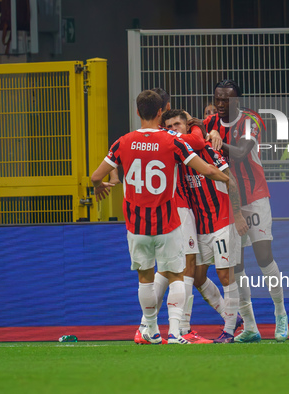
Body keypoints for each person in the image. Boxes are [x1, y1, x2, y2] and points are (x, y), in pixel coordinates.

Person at [91, 90, 229, 345]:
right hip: (166, 223)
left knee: (145, 278)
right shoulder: (171, 141)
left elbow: (96, 176)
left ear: (136, 112)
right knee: (177, 274)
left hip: (136, 226)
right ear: (160, 113)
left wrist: (101, 184)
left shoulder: (122, 142)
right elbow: (207, 169)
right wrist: (227, 179)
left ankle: (151, 331)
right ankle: (176, 333)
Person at [205, 79, 288, 343]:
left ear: (237, 100)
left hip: (254, 197)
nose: (220, 104)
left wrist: (215, 140)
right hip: (227, 201)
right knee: (235, 266)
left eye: (226, 99)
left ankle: (281, 314)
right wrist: (206, 132)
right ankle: (250, 326)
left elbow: (241, 153)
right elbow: (193, 126)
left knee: (264, 257)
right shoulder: (209, 124)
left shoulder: (250, 121)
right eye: (217, 98)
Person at [163, 108, 248, 343]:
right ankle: (230, 317)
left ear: (187, 127)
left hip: (222, 221)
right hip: (199, 226)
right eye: (168, 127)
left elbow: (231, 180)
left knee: (224, 275)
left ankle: (230, 330)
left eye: (177, 125)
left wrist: (238, 215)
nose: (173, 130)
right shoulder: (176, 155)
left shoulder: (207, 149)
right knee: (198, 277)